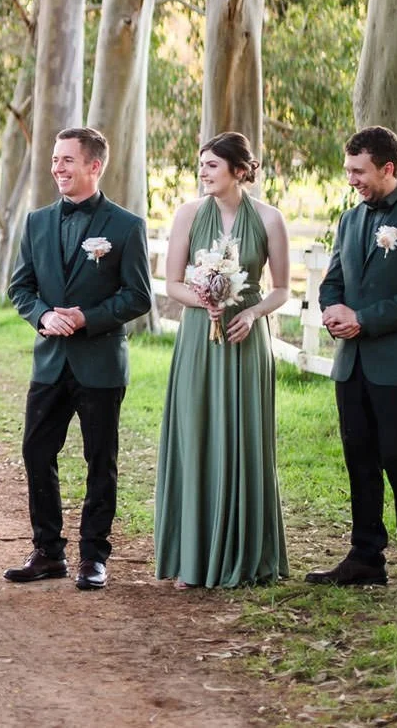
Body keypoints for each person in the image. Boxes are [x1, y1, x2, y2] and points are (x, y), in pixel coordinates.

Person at [4, 125, 152, 591]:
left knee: (99, 460)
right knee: (36, 451)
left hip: (100, 363)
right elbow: (20, 287)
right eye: (54, 159)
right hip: (50, 361)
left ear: (94, 165)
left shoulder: (126, 227)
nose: (57, 168)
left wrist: (86, 317)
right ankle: (48, 552)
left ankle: (94, 557)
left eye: (67, 160)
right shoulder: (37, 222)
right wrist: (44, 315)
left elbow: (138, 296)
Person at [305, 125, 397, 595]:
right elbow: (333, 280)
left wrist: (363, 319)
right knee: (359, 459)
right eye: (348, 170)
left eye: (359, 171)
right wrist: (333, 311)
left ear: (388, 168)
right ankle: (365, 557)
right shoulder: (349, 221)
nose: (352, 180)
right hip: (352, 366)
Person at [154, 132, 292, 588]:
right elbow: (172, 282)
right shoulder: (189, 215)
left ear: (239, 170)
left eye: (212, 165)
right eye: (201, 165)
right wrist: (202, 301)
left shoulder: (270, 220)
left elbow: (280, 289)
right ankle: (192, 556)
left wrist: (251, 312)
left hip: (247, 340)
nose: (203, 173)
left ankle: (245, 554)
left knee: (244, 437)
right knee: (197, 434)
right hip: (199, 338)